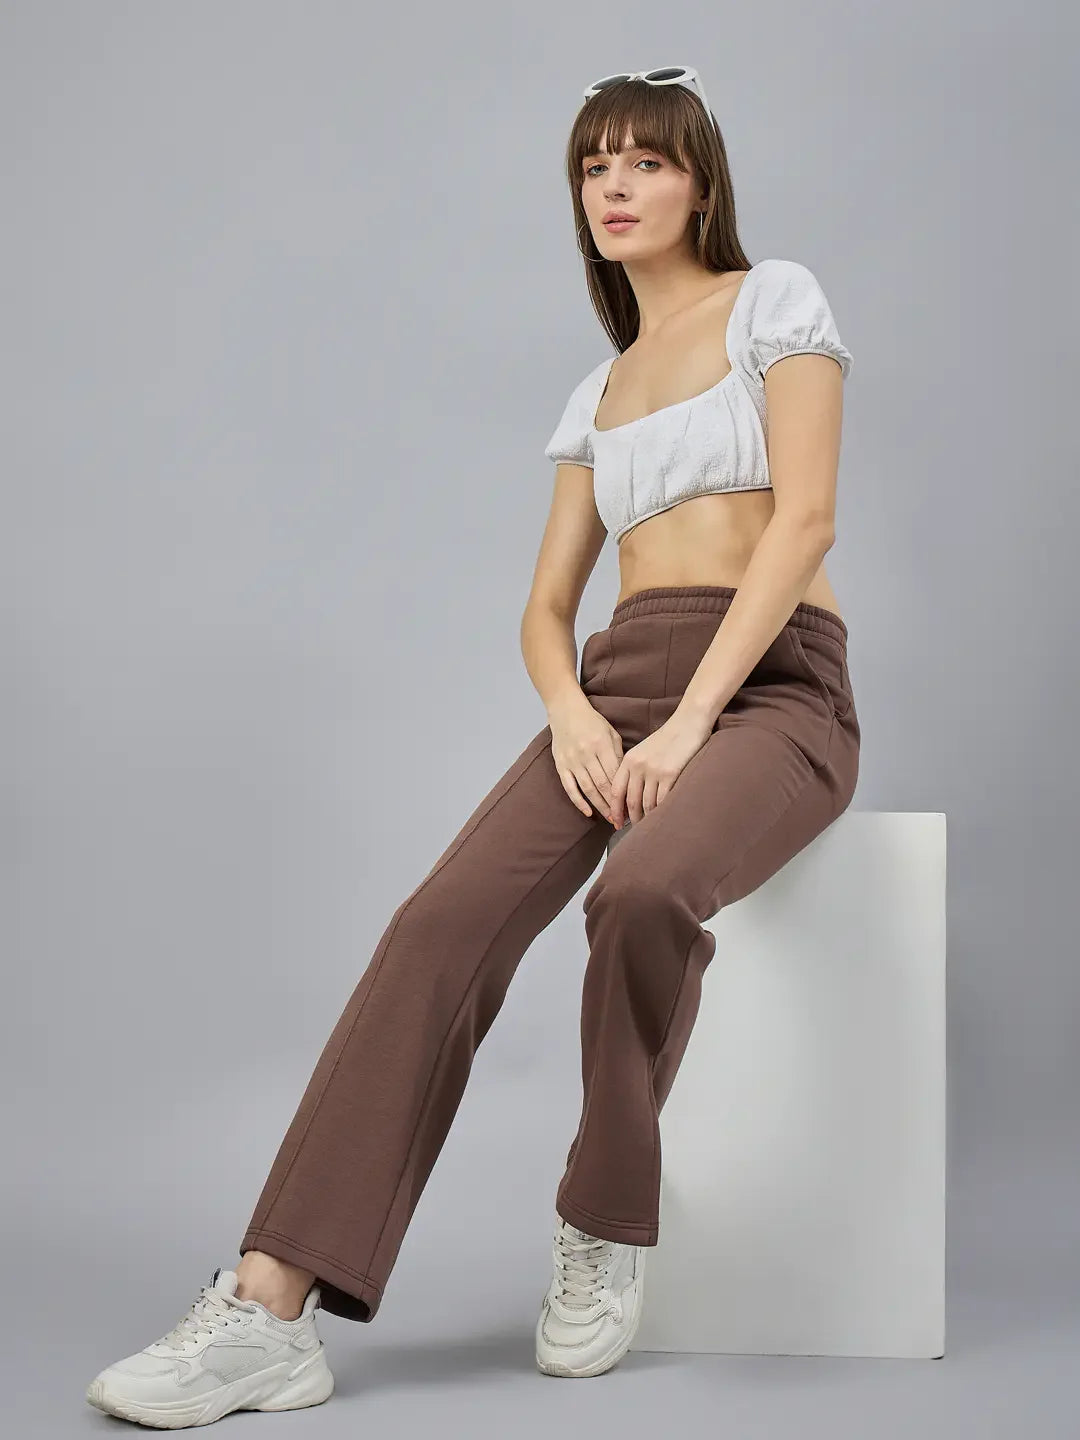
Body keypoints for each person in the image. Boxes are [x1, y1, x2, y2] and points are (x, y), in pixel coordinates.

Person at [86, 64, 861, 1425]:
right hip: (615, 689)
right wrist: (575, 711)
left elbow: (804, 523)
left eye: (646, 161)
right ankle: (270, 1308)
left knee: (640, 890)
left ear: (702, 184)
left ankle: (602, 1218)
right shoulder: (600, 391)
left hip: (774, 688)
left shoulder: (774, 301)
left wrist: (691, 720)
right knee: (435, 926)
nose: (615, 186)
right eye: (593, 167)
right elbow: (548, 609)